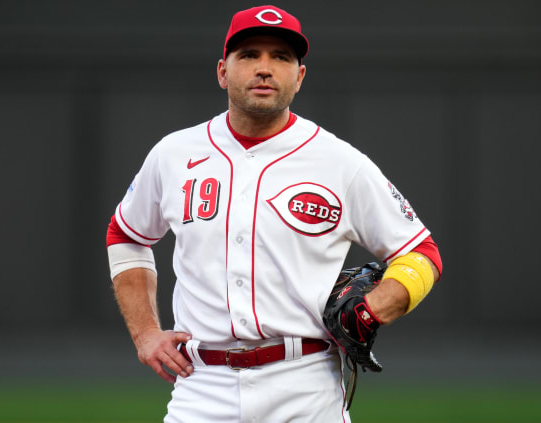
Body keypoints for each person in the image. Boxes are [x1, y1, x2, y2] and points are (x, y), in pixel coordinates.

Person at [106, 5, 442, 422]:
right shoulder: (173, 155)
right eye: (249, 55)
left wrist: (374, 309)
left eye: (281, 57)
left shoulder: (340, 163)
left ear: (299, 77)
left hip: (305, 386)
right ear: (222, 72)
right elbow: (127, 235)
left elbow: (421, 252)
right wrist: (145, 334)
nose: (264, 68)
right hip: (202, 388)